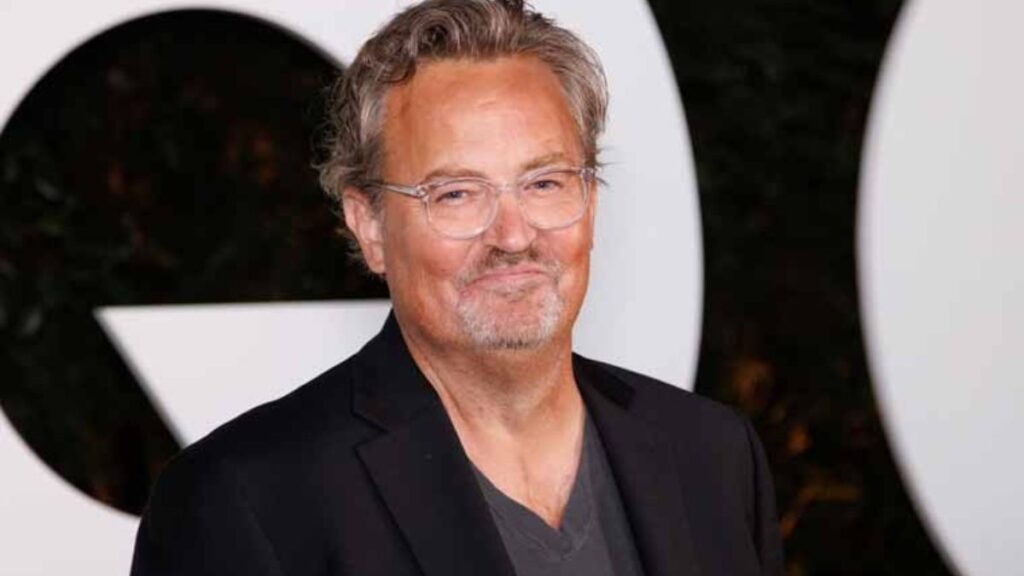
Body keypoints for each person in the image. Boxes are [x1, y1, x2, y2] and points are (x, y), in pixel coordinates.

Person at [130, 1, 783, 574]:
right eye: (456, 194)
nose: (513, 236)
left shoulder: (712, 456)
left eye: (545, 183)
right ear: (369, 226)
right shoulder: (245, 503)